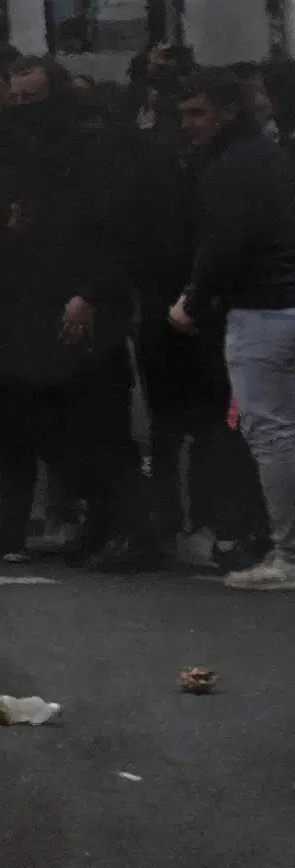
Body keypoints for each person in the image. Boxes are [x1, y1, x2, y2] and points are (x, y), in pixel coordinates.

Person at [169, 70, 295, 588]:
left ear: (225, 112)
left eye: (197, 113)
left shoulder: (224, 170)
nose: (189, 125)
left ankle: (288, 552)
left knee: (271, 436)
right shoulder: (278, 158)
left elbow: (220, 246)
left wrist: (191, 303)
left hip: (260, 311)